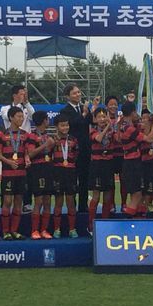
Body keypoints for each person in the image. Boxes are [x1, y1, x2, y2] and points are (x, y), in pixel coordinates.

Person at [116, 101, 153, 218]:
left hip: (129, 162)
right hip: (133, 163)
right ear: (133, 112)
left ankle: (138, 217)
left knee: (137, 194)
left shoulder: (123, 125)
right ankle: (128, 218)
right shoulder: (129, 128)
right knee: (137, 194)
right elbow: (149, 139)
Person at [59, 84, 94, 212]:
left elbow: (90, 121)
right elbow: (72, 124)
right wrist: (84, 114)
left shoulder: (84, 108)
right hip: (71, 150)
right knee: (72, 180)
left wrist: (91, 110)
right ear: (68, 96)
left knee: (84, 179)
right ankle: (72, 208)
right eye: (74, 93)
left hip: (85, 148)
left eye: (79, 92)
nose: (78, 95)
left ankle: (83, 207)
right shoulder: (65, 111)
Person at [0, 84, 34, 213]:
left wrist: (27, 103)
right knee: (8, 176)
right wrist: (19, 106)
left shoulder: (26, 108)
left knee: (26, 175)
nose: (24, 95)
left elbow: (34, 117)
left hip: (24, 145)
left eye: (25, 93)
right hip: (10, 145)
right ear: (14, 95)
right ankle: (5, 204)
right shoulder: (5, 108)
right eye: (21, 93)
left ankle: (27, 203)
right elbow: (7, 116)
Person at [0, 107, 28, 240]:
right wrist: (9, 162)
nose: (21, 119)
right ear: (11, 118)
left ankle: (14, 230)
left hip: (21, 173)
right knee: (7, 201)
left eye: (22, 116)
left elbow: (27, 152)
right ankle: (5, 231)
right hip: (8, 173)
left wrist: (27, 159)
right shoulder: (2, 134)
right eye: (19, 116)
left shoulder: (25, 134)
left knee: (18, 202)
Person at [26, 110, 55, 239]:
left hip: (48, 168)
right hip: (37, 169)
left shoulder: (48, 135)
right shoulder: (32, 136)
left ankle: (44, 230)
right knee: (38, 201)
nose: (48, 121)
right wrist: (45, 145)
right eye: (47, 119)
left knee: (47, 200)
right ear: (44, 120)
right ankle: (34, 230)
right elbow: (31, 154)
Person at [87, 107, 116, 236]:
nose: (102, 119)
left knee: (108, 195)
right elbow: (98, 139)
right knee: (96, 195)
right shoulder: (92, 130)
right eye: (99, 117)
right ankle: (91, 225)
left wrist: (114, 126)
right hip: (97, 165)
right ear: (95, 119)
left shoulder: (112, 131)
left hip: (108, 164)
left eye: (104, 116)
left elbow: (118, 140)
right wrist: (108, 127)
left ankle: (105, 224)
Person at [51, 114, 79, 238]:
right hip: (57, 172)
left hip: (70, 172)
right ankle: (57, 229)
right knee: (58, 201)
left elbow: (76, 154)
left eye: (67, 125)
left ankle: (72, 229)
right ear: (57, 126)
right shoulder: (52, 140)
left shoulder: (73, 139)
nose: (65, 127)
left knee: (70, 201)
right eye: (62, 125)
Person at [105, 95, 125, 213]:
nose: (113, 106)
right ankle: (111, 204)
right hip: (109, 154)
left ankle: (124, 203)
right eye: (111, 104)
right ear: (106, 106)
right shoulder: (103, 120)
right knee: (110, 182)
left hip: (121, 154)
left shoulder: (121, 119)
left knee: (124, 180)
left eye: (115, 104)